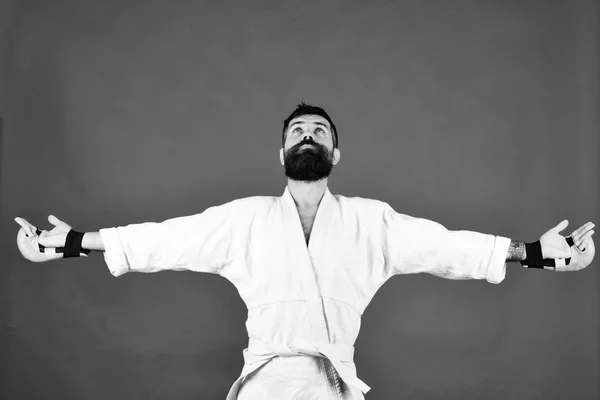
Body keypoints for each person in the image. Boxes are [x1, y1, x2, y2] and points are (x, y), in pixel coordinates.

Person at [15, 103, 595, 399]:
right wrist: (69, 243)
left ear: (335, 155)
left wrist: (534, 253)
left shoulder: (373, 222)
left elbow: (445, 248)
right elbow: (162, 239)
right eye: (297, 131)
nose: (308, 136)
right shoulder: (244, 220)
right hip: (263, 386)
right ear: (282, 153)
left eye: (318, 130)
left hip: (335, 387)